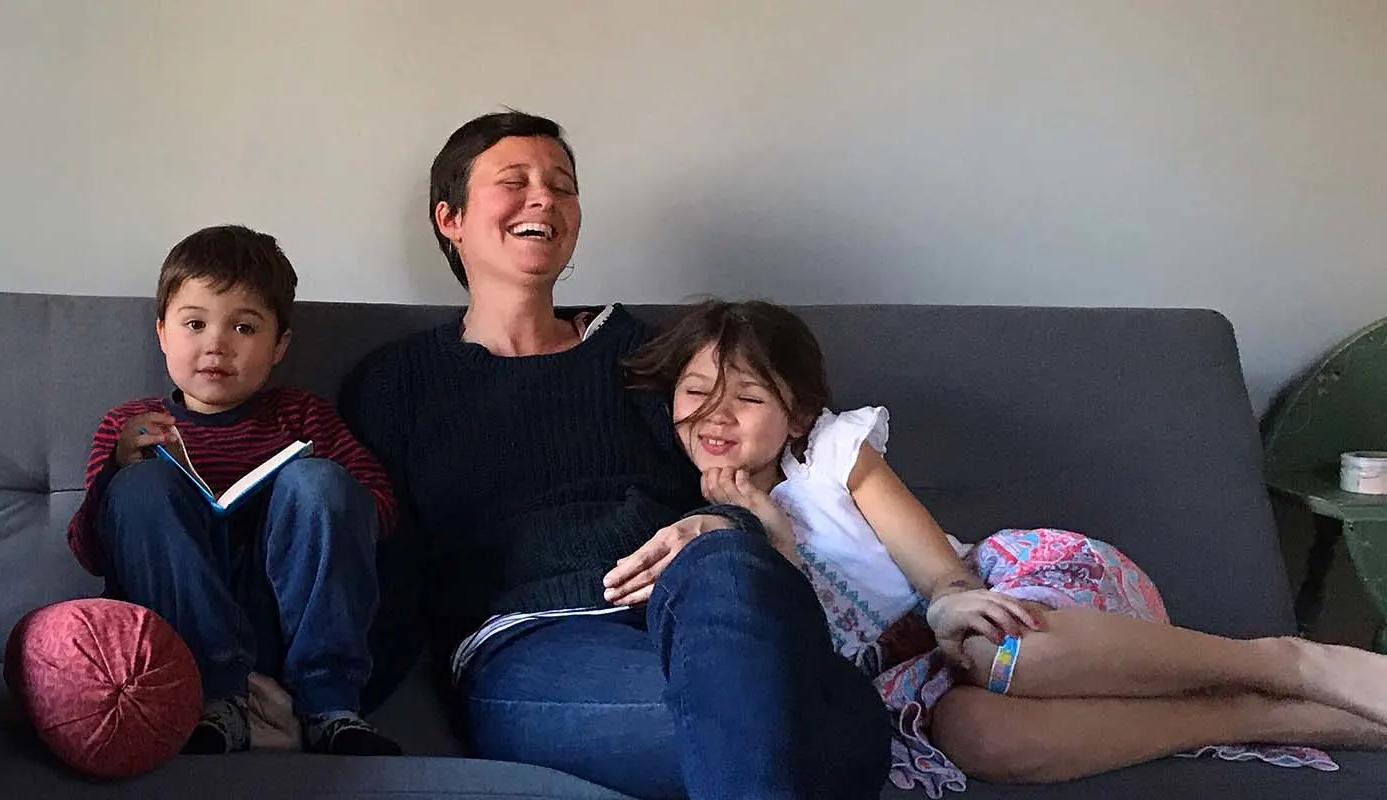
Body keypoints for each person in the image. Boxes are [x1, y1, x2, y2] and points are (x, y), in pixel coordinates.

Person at [336, 111, 889, 798]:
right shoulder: (398, 383)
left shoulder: (650, 357)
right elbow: (386, 561)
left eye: (562, 186)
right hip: (535, 644)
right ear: (450, 219)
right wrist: (321, 701)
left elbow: (740, 486)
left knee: (727, 575)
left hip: (702, 613)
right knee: (826, 732)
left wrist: (722, 525)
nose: (544, 198)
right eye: (515, 181)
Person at [627, 299, 1387, 795]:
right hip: (913, 681)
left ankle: (1284, 660)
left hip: (999, 599)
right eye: (696, 392)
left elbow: (939, 571)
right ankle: (1258, 715)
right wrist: (771, 539)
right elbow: (796, 674)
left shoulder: (832, 456)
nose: (715, 415)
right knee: (974, 735)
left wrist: (956, 601)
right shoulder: (694, 527)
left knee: (998, 650)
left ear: (796, 417)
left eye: (748, 397)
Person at [67, 224, 404, 756]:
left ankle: (329, 705)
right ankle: (214, 699)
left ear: (279, 346)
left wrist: (312, 493)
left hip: (282, 617)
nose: (216, 346)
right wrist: (116, 470)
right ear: (161, 332)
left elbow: (381, 509)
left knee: (319, 483)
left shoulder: (302, 414)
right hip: (179, 624)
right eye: (195, 324)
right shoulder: (128, 424)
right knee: (142, 488)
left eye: (244, 328)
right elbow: (89, 551)